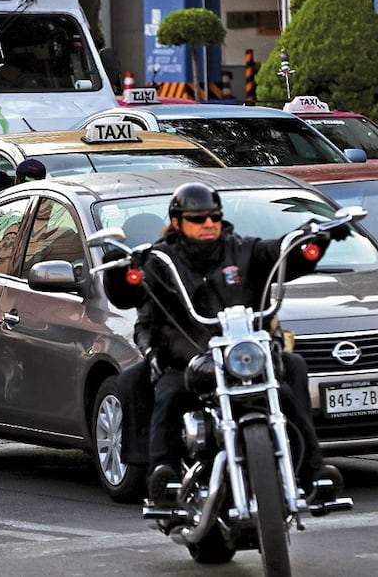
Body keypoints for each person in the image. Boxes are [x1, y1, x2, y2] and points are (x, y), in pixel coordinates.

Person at [104, 182, 348, 507]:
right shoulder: (161, 260)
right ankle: (164, 476)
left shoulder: (245, 250)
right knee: (168, 394)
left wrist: (315, 238)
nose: (208, 224)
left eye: (214, 217)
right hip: (190, 362)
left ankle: (313, 472)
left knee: (292, 371)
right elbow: (128, 295)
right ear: (177, 222)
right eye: (198, 218)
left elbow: (283, 255)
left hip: (246, 356)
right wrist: (121, 272)